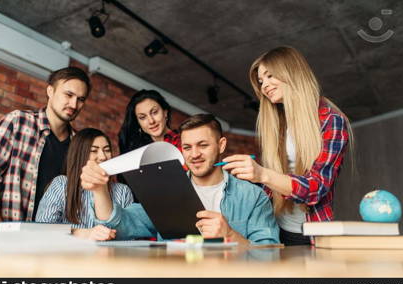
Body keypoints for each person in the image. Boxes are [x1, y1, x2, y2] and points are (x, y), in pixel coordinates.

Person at [221, 46, 352, 246]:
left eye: (270, 75)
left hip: (313, 235)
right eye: (261, 81)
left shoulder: (331, 121)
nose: (264, 85)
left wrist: (262, 174)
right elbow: (270, 186)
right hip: (275, 229)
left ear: (291, 72)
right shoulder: (278, 124)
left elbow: (316, 188)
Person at [81, 114, 280, 245]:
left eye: (203, 145)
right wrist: (99, 190)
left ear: (221, 145)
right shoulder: (166, 192)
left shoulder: (253, 197)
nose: (194, 154)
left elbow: (269, 254)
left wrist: (230, 235)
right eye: (187, 147)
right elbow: (120, 224)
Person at [0, 67, 91, 228]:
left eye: (81, 99)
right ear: (50, 91)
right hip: (8, 235)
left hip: (54, 241)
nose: (74, 104)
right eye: (68, 95)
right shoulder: (18, 122)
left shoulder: (78, 145)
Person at [36, 128, 133, 240]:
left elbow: (131, 235)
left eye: (107, 150)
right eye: (94, 151)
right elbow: (42, 228)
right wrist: (80, 233)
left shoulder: (123, 191)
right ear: (79, 154)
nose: (103, 157)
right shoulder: (62, 185)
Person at [118, 89, 181, 153]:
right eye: (142, 117)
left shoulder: (183, 142)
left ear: (165, 112)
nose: (151, 121)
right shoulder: (138, 152)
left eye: (154, 112)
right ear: (138, 123)